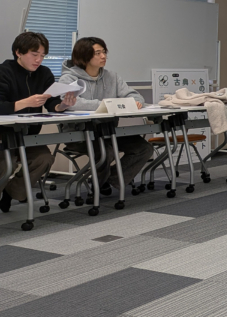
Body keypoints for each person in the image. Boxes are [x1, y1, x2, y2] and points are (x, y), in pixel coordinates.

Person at [58, 37, 155, 192]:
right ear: (84, 55)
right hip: (79, 134)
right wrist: (107, 104)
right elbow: (72, 103)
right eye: (98, 53)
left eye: (104, 52)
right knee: (106, 151)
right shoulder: (69, 78)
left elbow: (135, 95)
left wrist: (136, 102)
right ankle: (98, 187)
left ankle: (109, 180)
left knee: (144, 149)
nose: (103, 56)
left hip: (109, 132)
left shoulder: (112, 77)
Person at [0, 32, 77, 212]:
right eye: (34, 54)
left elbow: (51, 102)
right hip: (3, 137)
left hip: (28, 137)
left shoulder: (44, 73)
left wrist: (62, 105)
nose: (38, 60)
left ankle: (12, 192)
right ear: (18, 52)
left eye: (42, 56)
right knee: (5, 164)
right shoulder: (4, 71)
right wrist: (24, 103)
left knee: (44, 158)